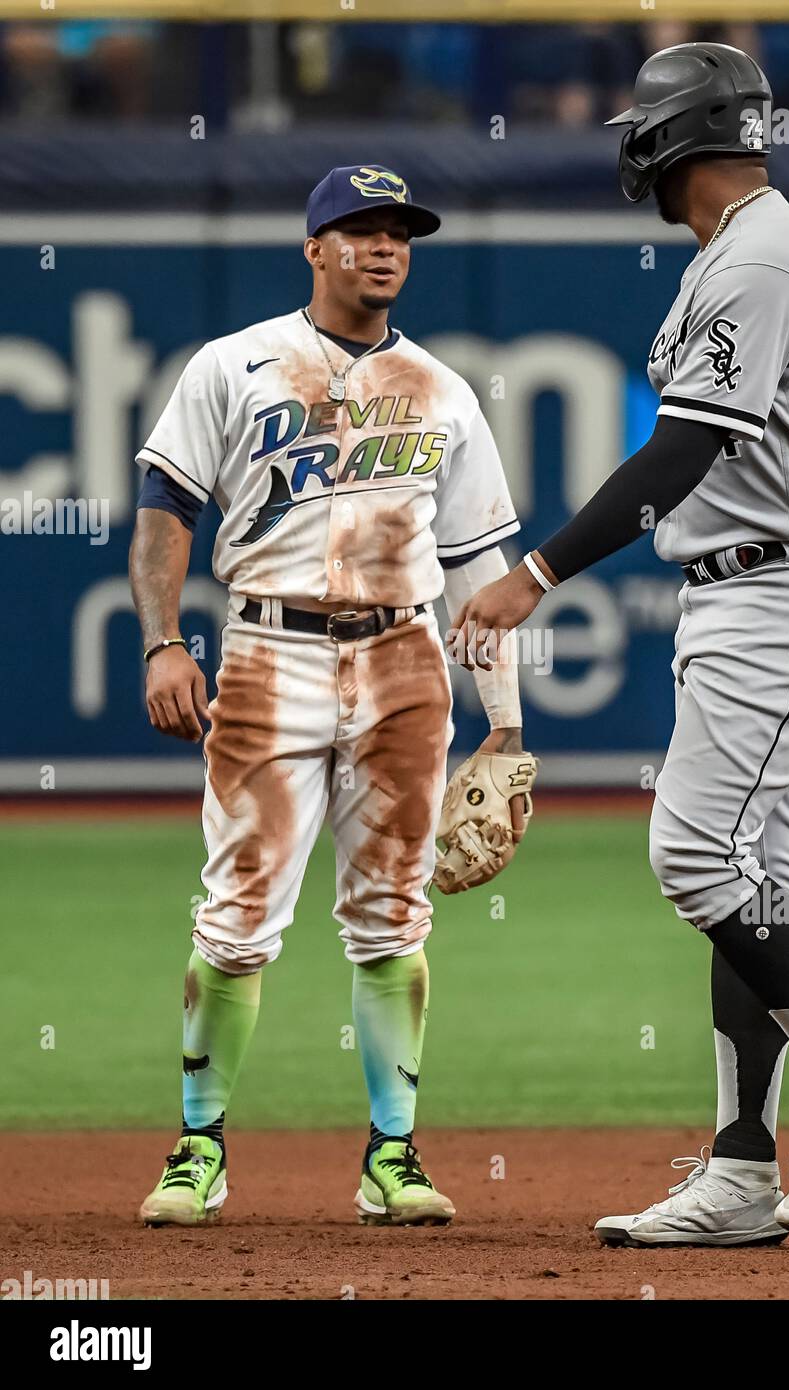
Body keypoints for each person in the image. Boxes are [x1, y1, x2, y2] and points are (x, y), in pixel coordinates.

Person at [451, 45, 789, 1248]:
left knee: (691, 852)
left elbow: (683, 454)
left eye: (642, 128)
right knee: (748, 877)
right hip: (752, 588)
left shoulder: (758, 258)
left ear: (676, 140)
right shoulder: (739, 251)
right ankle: (737, 1168)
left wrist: (536, 572)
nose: (630, 147)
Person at [130, 163, 531, 1229]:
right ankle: (197, 1147)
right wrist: (164, 641)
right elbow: (165, 507)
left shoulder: (443, 390)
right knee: (238, 912)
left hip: (404, 660)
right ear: (314, 248)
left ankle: (391, 1157)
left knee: (394, 914)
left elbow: (482, 563)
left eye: (398, 230)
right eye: (358, 229)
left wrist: (505, 724)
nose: (383, 245)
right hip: (269, 651)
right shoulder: (236, 365)